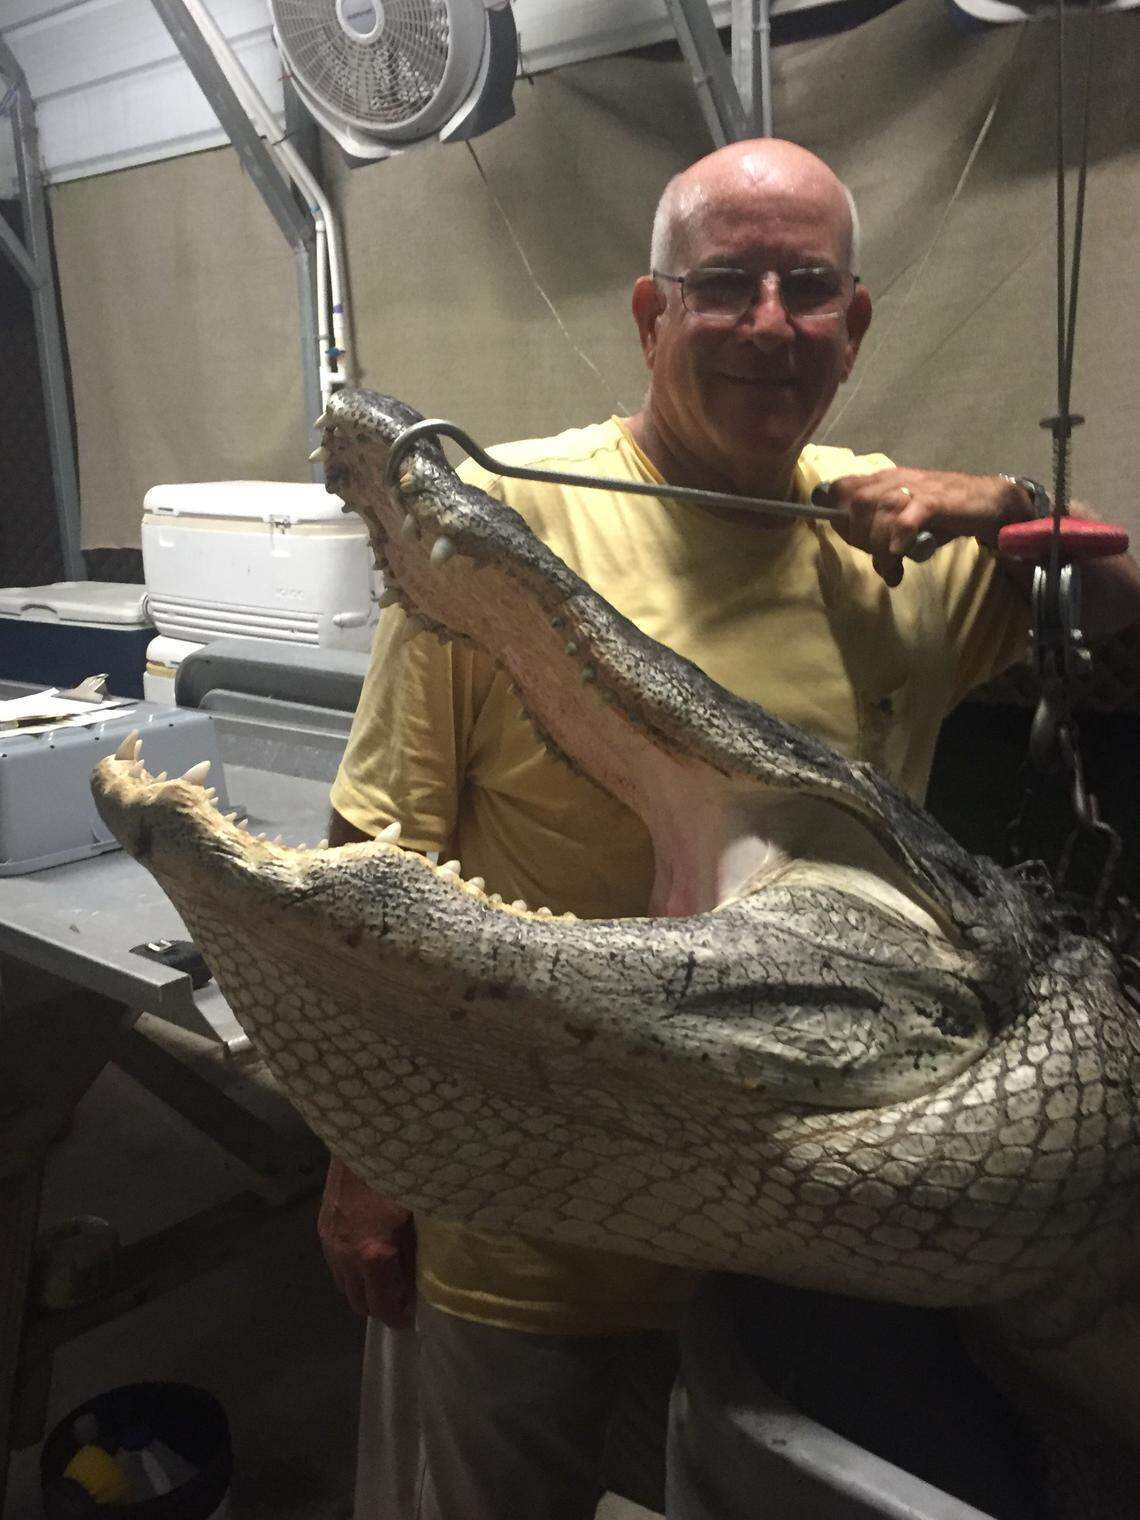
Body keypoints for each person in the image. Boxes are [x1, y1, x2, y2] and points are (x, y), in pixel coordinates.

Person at [320, 138, 1140, 1519]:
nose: (771, 323)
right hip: (525, 1215)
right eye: (725, 285)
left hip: (788, 1226)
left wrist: (1018, 506)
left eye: (809, 287)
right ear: (652, 315)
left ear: (854, 324)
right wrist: (364, 1161)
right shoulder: (508, 520)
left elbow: (1118, 623)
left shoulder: (895, 534)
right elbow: (377, 852)